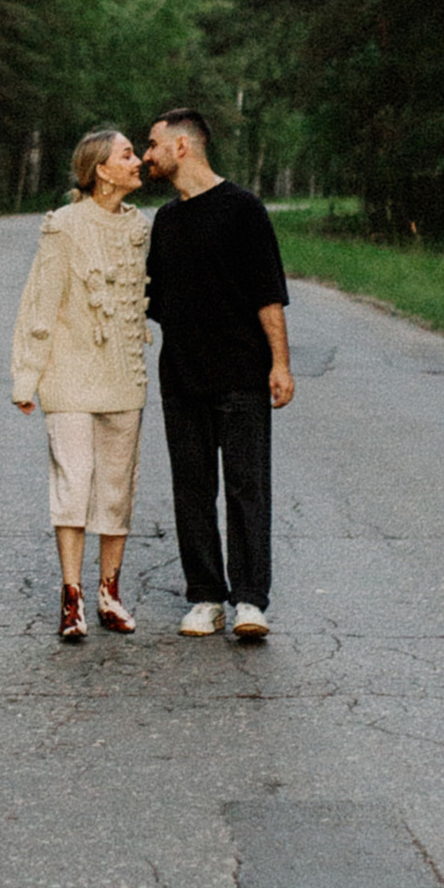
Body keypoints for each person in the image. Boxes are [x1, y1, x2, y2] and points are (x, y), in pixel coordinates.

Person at [141, 106, 292, 641]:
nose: (146, 155)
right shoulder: (165, 221)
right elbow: (147, 300)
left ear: (182, 147)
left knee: (248, 489)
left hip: (242, 377)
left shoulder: (243, 209)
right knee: (192, 490)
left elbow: (268, 294)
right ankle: (205, 596)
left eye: (153, 144)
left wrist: (280, 363)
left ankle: (250, 600)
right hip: (181, 378)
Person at [9, 126, 150, 644]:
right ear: (101, 171)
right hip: (68, 378)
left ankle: (109, 592)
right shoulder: (63, 227)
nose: (138, 162)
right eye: (127, 154)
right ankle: (71, 598)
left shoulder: (141, 227)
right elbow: (39, 302)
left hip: (124, 379)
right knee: (74, 483)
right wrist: (27, 376)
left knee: (117, 489)